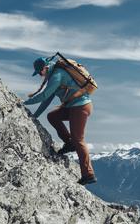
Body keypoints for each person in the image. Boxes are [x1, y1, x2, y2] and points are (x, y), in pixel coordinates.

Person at [23, 57, 97, 185]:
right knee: (53, 116)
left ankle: (88, 174)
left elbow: (44, 95)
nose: (40, 75)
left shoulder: (57, 75)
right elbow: (46, 100)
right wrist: (34, 116)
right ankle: (69, 144)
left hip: (80, 107)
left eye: (40, 73)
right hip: (73, 106)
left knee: (78, 139)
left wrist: (24, 103)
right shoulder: (53, 76)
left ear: (45, 68)